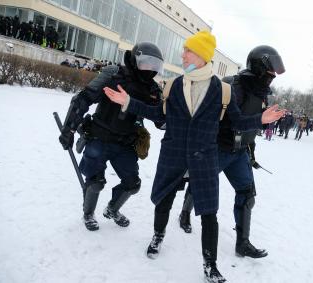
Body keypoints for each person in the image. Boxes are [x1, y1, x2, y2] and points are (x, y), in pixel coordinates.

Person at [103, 32, 286, 283]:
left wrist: (260, 120)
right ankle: (158, 236)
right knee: (164, 201)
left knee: (209, 211)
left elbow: (237, 121)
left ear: (201, 55)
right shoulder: (173, 85)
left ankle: (210, 264)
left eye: (187, 51)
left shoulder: (223, 91)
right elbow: (159, 115)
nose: (182, 55)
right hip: (173, 155)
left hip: (206, 157)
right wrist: (128, 102)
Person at [178, 45, 285, 260]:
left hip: (239, 152)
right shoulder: (232, 85)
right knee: (199, 185)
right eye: (271, 71)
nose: (273, 76)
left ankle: (242, 243)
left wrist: (252, 145)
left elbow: (253, 124)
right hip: (217, 148)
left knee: (247, 195)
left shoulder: (261, 92)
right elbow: (210, 117)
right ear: (259, 66)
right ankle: (185, 213)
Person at [58, 42, 164, 231]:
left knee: (133, 184)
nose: (150, 69)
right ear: (134, 59)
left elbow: (161, 120)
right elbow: (83, 99)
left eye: (153, 65)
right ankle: (88, 213)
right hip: (99, 137)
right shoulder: (114, 74)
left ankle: (112, 209)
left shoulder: (152, 89)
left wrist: (171, 113)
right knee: (95, 182)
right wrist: (69, 129)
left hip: (125, 144)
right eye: (146, 63)